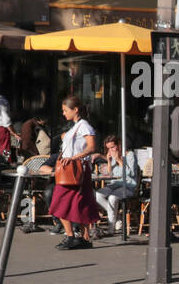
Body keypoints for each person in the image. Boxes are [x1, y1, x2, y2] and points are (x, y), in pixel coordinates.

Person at [49, 95, 99, 250]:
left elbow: (91, 147)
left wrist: (72, 158)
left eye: (65, 110)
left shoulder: (83, 125)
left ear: (75, 110)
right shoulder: (75, 126)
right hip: (75, 169)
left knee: (59, 201)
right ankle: (84, 238)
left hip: (76, 170)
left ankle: (70, 236)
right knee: (81, 203)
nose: (63, 113)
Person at [91, 134, 139, 234]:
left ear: (119, 145)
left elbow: (130, 173)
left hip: (128, 185)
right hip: (115, 184)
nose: (111, 150)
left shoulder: (129, 155)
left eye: (113, 147)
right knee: (97, 195)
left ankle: (111, 228)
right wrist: (109, 161)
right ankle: (117, 218)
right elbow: (110, 174)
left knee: (112, 198)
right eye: (108, 148)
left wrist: (118, 159)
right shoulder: (112, 156)